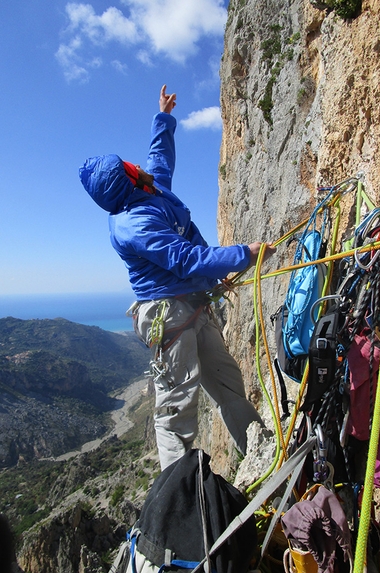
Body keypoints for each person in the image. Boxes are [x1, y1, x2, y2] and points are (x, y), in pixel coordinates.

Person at [79, 85, 276, 470]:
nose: (135, 167)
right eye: (127, 167)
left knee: (228, 387)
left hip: (192, 308)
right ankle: (178, 500)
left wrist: (163, 118)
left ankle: (262, 455)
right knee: (176, 414)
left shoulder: (147, 193)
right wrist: (242, 256)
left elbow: (160, 160)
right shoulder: (135, 224)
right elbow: (183, 259)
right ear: (125, 178)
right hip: (168, 317)